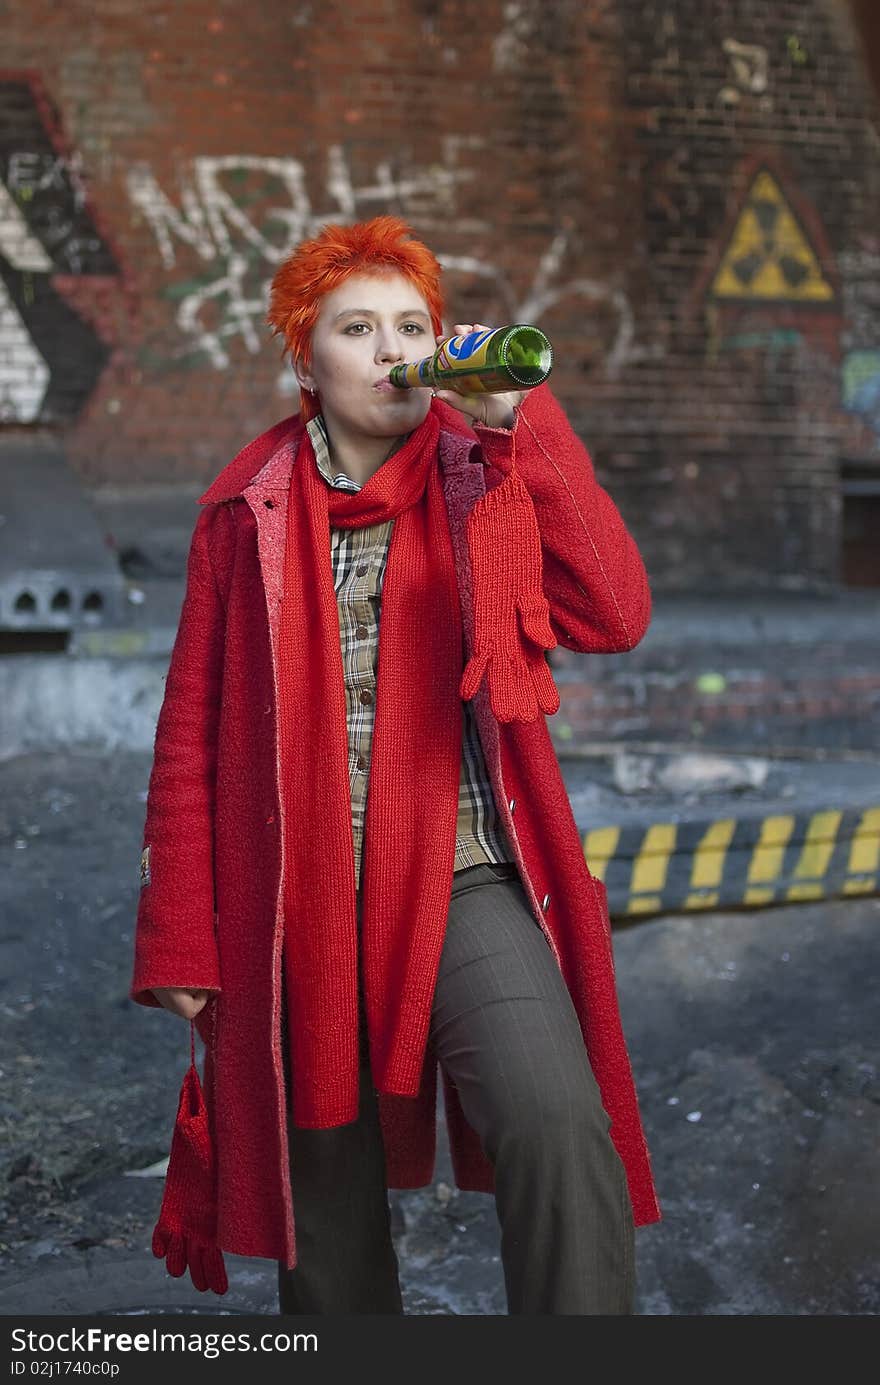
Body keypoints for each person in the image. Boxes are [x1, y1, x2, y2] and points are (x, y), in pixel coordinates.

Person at [129, 214, 661, 1316]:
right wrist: (181, 926)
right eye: (357, 327)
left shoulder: (483, 474)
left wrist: (527, 430)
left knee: (558, 1125)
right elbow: (190, 727)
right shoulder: (248, 509)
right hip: (294, 895)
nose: (390, 351)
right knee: (323, 1209)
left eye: (410, 326)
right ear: (305, 359)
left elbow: (612, 609)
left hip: (457, 870)